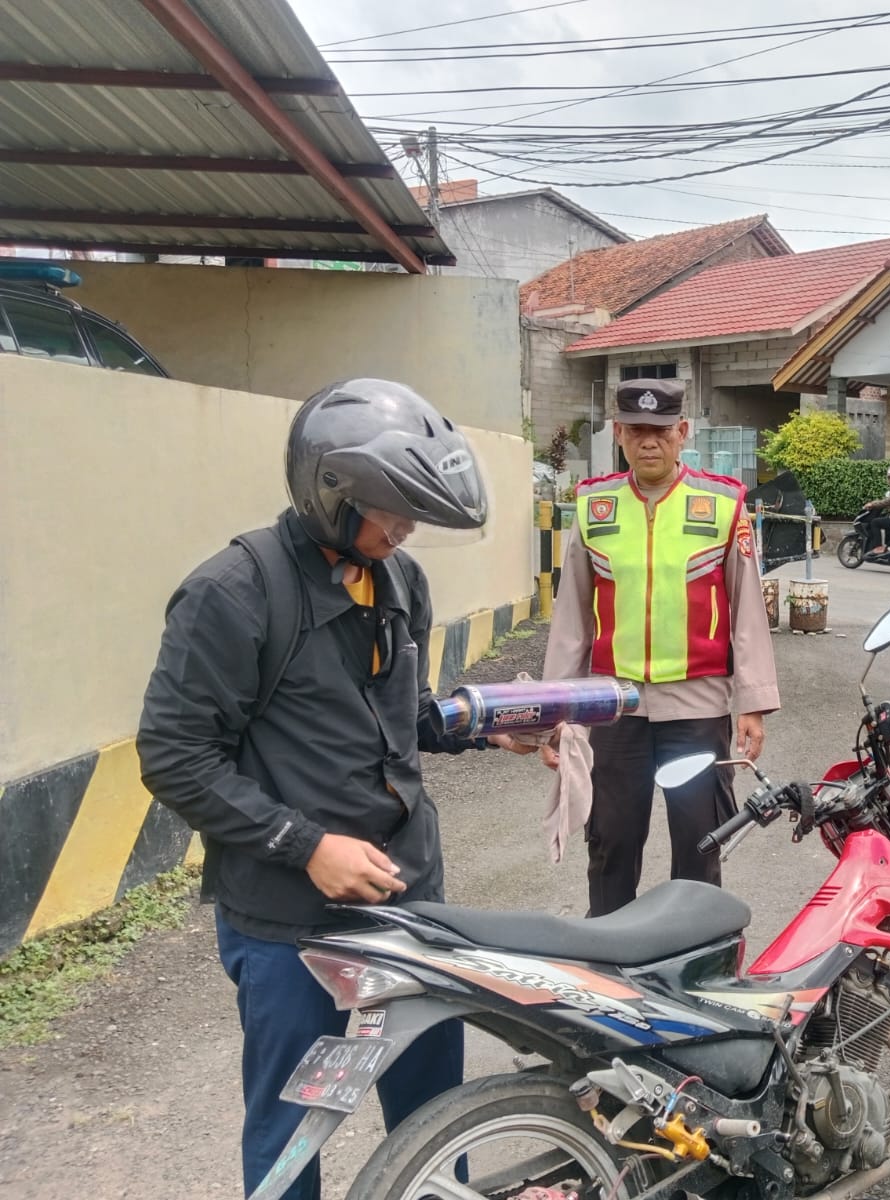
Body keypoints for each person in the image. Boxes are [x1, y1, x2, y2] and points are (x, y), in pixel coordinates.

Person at [137, 379, 538, 1200]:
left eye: (410, 516)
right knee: (289, 1130)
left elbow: (400, 717)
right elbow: (174, 755)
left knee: (435, 1113)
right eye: (389, 513)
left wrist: (482, 723)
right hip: (290, 921)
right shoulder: (232, 594)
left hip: (408, 900)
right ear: (331, 493)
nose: (404, 531)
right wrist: (306, 845)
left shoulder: (400, 583)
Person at [541, 379, 780, 917]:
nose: (650, 442)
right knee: (610, 845)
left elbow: (746, 610)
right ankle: (607, 964)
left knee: (701, 845)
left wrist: (754, 704)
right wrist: (558, 711)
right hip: (614, 708)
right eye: (637, 431)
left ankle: (694, 965)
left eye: (661, 430)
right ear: (619, 434)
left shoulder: (721, 504)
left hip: (698, 709)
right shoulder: (594, 507)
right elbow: (572, 621)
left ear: (682, 432)